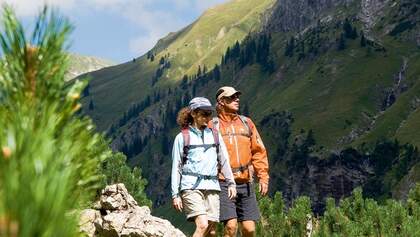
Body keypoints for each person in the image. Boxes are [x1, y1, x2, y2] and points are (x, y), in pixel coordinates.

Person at [171, 97, 237, 237]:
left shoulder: (214, 135)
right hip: (191, 186)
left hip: (212, 186)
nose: (208, 118)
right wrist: (175, 194)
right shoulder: (182, 137)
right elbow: (176, 167)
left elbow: (224, 160)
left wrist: (231, 183)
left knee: (210, 231)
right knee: (202, 224)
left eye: (209, 114)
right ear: (193, 113)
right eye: (204, 114)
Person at [210, 86, 269, 237]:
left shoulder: (246, 123)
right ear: (221, 101)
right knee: (231, 227)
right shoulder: (213, 126)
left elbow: (258, 151)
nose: (237, 99)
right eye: (231, 97)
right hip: (223, 182)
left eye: (237, 96)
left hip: (246, 182)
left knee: (249, 229)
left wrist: (263, 177)